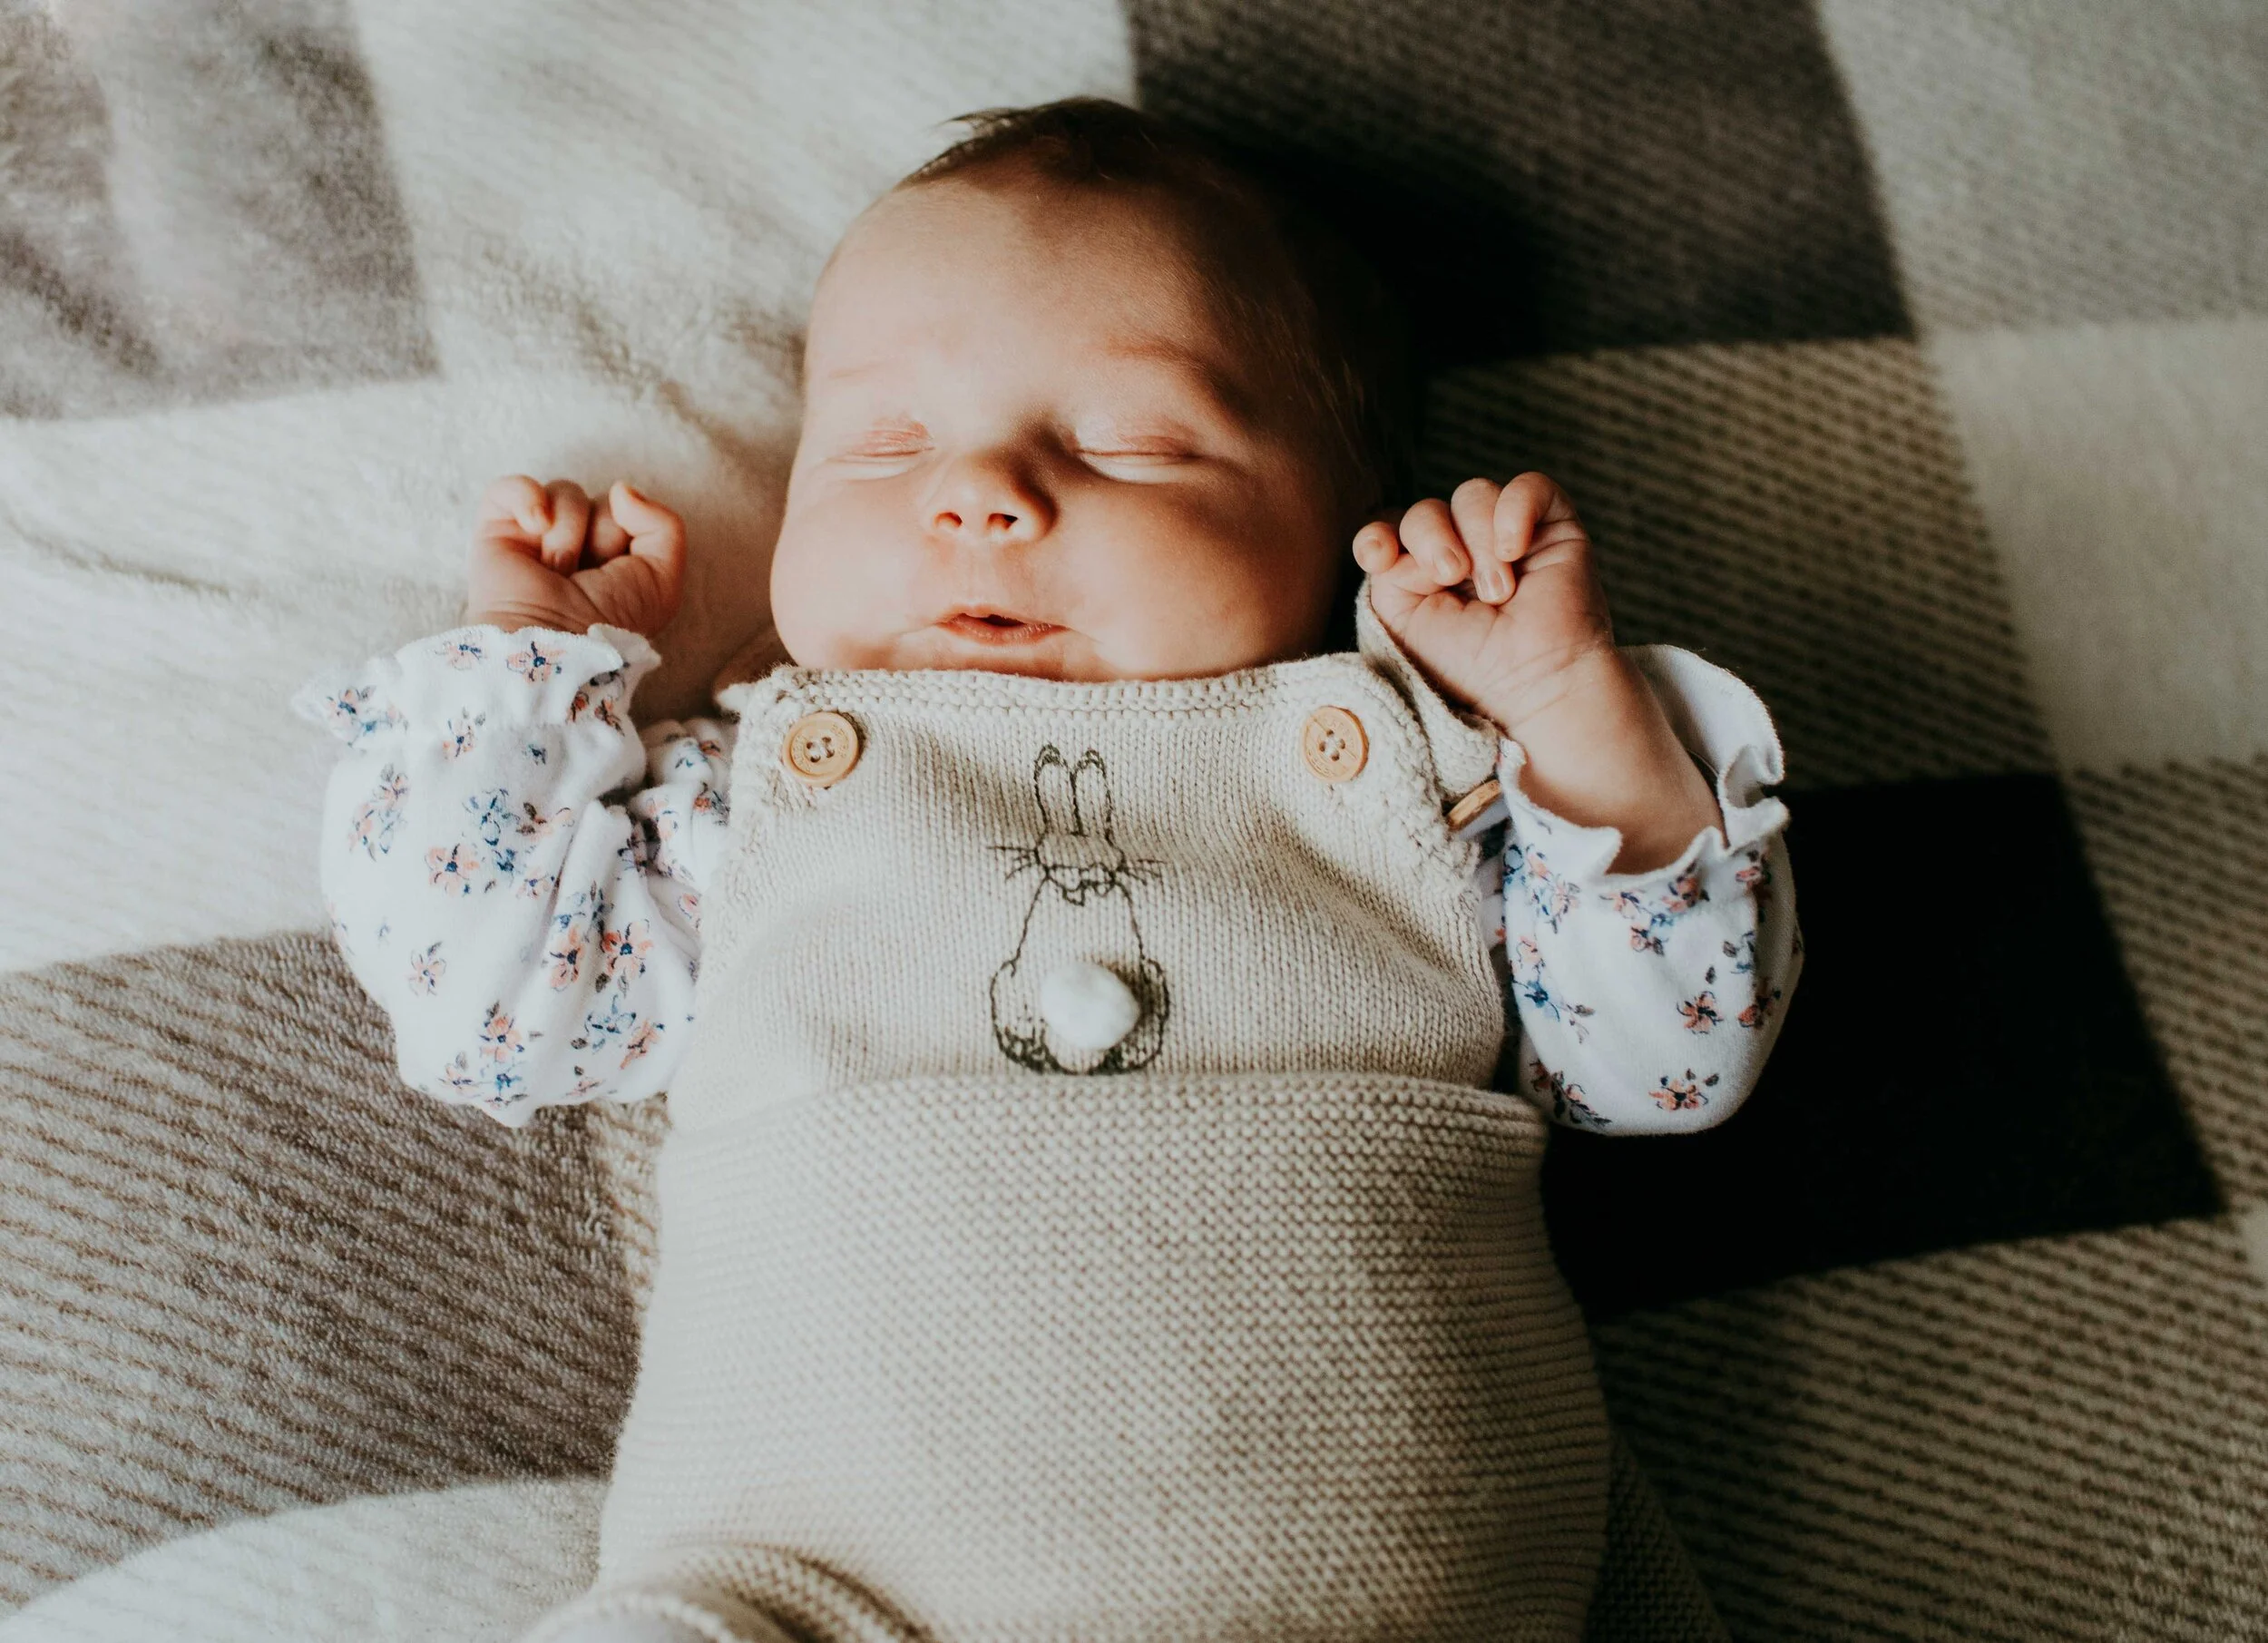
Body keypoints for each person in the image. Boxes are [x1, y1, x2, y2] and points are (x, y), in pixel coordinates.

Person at [300, 97, 1799, 1643]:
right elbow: (486, 1001)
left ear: (1343, 533)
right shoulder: (746, 805)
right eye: (885, 444)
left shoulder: (1434, 782)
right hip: (800, 1585)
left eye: (1128, 441)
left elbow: (1668, 1058)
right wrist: (532, 668)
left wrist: (1566, 708)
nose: (980, 493)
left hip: (1369, 1576)